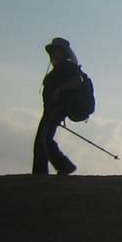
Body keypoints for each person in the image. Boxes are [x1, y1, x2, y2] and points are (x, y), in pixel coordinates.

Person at [34, 37, 84, 175]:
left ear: (63, 52)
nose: (53, 54)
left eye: (56, 50)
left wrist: (60, 89)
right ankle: (40, 172)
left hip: (57, 108)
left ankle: (64, 165)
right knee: (41, 140)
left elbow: (77, 81)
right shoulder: (60, 68)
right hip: (51, 109)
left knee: (44, 139)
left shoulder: (67, 66)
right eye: (52, 51)